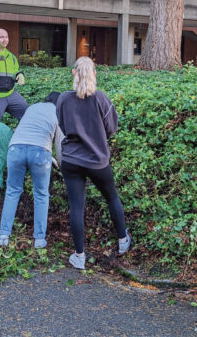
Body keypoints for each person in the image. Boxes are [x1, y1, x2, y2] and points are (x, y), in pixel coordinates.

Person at [56, 57, 130, 270]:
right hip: (97, 159)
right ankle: (123, 240)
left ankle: (79, 255)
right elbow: (112, 128)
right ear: (95, 74)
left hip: (71, 160)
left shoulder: (63, 99)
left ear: (73, 73)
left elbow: (62, 124)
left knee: (76, 207)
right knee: (111, 197)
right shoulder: (101, 99)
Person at [0, 92, 64, 249]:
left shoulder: (33, 107)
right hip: (40, 153)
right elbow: (59, 146)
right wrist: (61, 166)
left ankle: (3, 235)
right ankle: (39, 240)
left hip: (15, 148)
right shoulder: (59, 113)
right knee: (41, 194)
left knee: (12, 191)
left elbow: (26, 131)